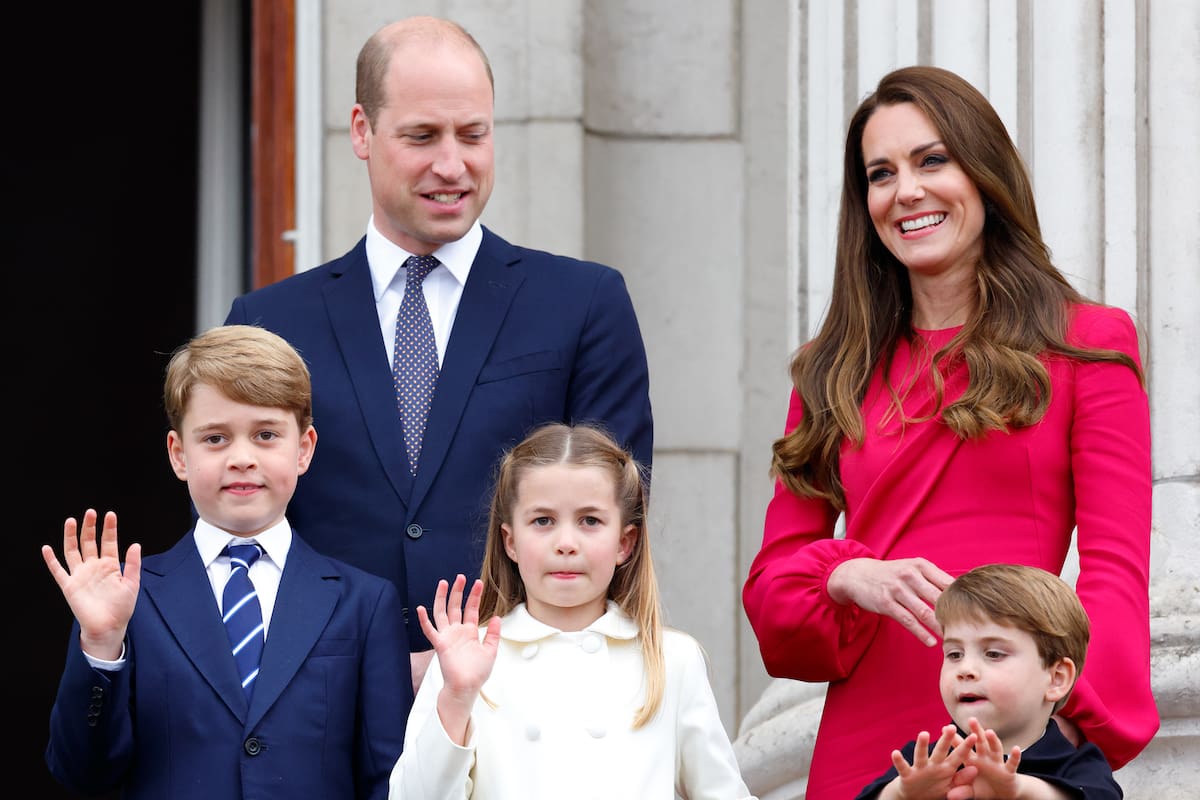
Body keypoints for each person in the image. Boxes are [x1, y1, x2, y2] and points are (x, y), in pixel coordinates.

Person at [741, 65, 1157, 799]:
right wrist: (849, 575)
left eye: (932, 160)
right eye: (881, 173)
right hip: (868, 750)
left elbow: (1115, 571)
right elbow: (774, 590)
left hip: (1014, 742)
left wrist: (1065, 728)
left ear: (985, 174)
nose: (906, 191)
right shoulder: (829, 370)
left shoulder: (1086, 343)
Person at [223, 15, 653, 696]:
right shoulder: (269, 322)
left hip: (525, 715)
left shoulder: (584, 304)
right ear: (362, 131)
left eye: (473, 135)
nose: (452, 165)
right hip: (322, 720)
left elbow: (611, 525)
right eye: (422, 136)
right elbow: (237, 541)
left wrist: (478, 663)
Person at [42, 324, 412, 800]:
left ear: (303, 448)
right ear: (179, 454)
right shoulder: (128, 599)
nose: (241, 458)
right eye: (215, 439)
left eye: (265, 435)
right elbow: (81, 773)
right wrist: (100, 645)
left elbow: (388, 777)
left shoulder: (364, 602)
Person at [389, 422, 755, 799]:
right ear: (510, 542)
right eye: (543, 521)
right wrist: (457, 698)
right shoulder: (466, 661)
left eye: (590, 521)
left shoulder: (670, 659)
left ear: (624, 542)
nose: (566, 543)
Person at [855, 563, 1122, 800]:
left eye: (994, 653)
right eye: (954, 654)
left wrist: (1020, 790)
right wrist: (901, 793)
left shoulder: (1078, 766)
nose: (965, 669)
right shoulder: (925, 762)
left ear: (1056, 679)